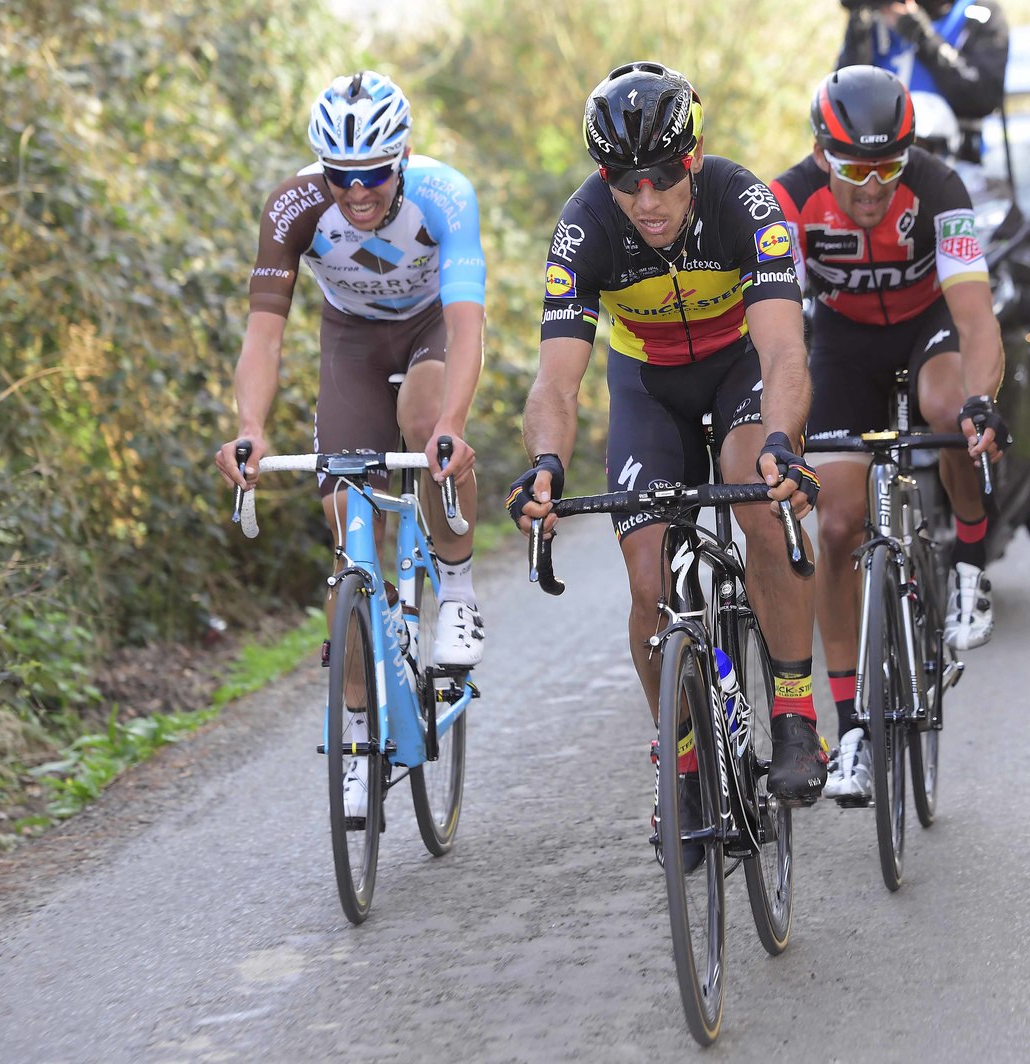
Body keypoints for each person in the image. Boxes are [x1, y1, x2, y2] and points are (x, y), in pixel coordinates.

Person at [507, 61, 828, 866]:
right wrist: (545, 465)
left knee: (760, 499)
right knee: (648, 580)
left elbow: (784, 352)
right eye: (623, 179)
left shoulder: (743, 202)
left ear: (695, 158)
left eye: (661, 176)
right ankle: (681, 763)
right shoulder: (584, 227)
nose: (645, 199)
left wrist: (783, 441)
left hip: (740, 373)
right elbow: (556, 382)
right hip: (649, 390)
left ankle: (795, 712)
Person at [213, 71, 488, 813]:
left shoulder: (445, 195)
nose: (357, 192)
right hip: (352, 341)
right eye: (341, 175)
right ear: (322, 169)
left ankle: (457, 590)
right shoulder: (294, 206)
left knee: (425, 423)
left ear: (403, 159)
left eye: (373, 173)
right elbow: (263, 337)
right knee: (345, 525)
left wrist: (454, 425)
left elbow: (468, 327)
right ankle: (359, 738)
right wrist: (250, 428)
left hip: (431, 328)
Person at [771, 66, 1011, 801]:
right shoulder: (787, 200)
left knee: (948, 410)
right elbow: (772, 324)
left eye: (888, 167)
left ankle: (970, 562)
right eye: (853, 169)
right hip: (842, 343)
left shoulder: (939, 188)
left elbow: (975, 316)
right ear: (821, 153)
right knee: (837, 523)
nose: (873, 188)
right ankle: (851, 729)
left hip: (927, 326)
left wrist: (982, 401)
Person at [838, 0, 1009, 166]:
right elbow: (842, 100)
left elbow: (984, 98)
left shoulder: (979, 13)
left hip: (954, 156)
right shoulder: (877, 19)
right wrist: (859, 31)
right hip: (878, 158)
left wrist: (923, 37)